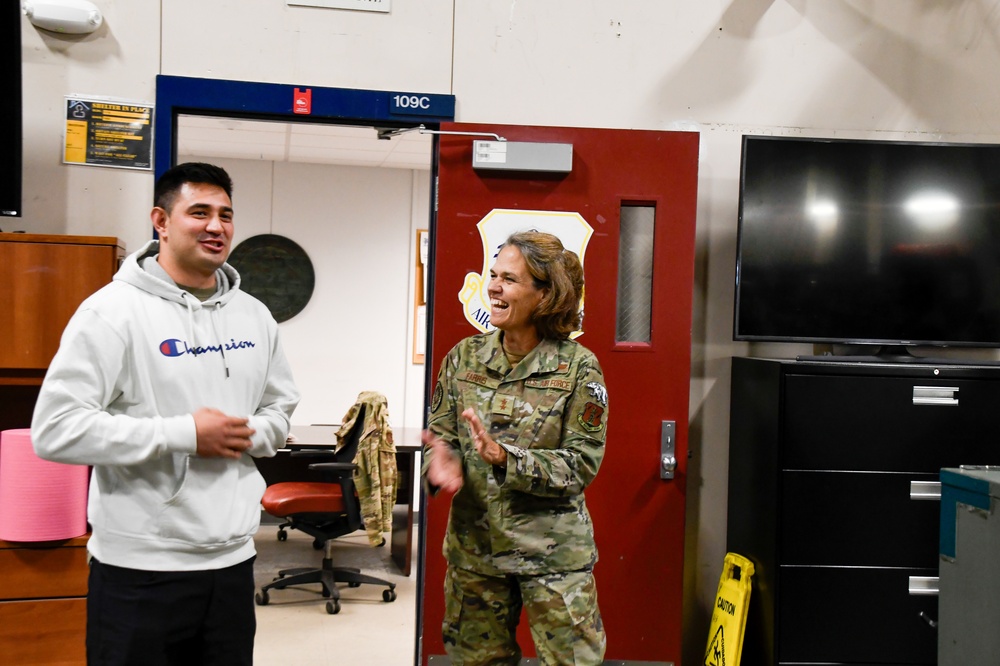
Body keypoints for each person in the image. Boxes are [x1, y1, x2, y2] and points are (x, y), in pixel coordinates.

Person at [31, 162, 300, 666]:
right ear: (161, 221)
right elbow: (55, 429)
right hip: (141, 571)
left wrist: (251, 432)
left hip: (233, 563)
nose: (216, 226)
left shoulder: (254, 315)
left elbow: (280, 407)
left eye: (225, 214)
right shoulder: (111, 313)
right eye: (199, 212)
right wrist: (184, 434)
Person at [422, 230, 609, 665]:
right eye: (493, 275)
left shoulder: (580, 368)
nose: (493, 287)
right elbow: (441, 433)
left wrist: (508, 458)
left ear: (545, 295)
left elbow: (580, 465)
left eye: (509, 279)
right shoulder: (463, 358)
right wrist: (442, 458)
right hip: (476, 552)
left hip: (553, 556)